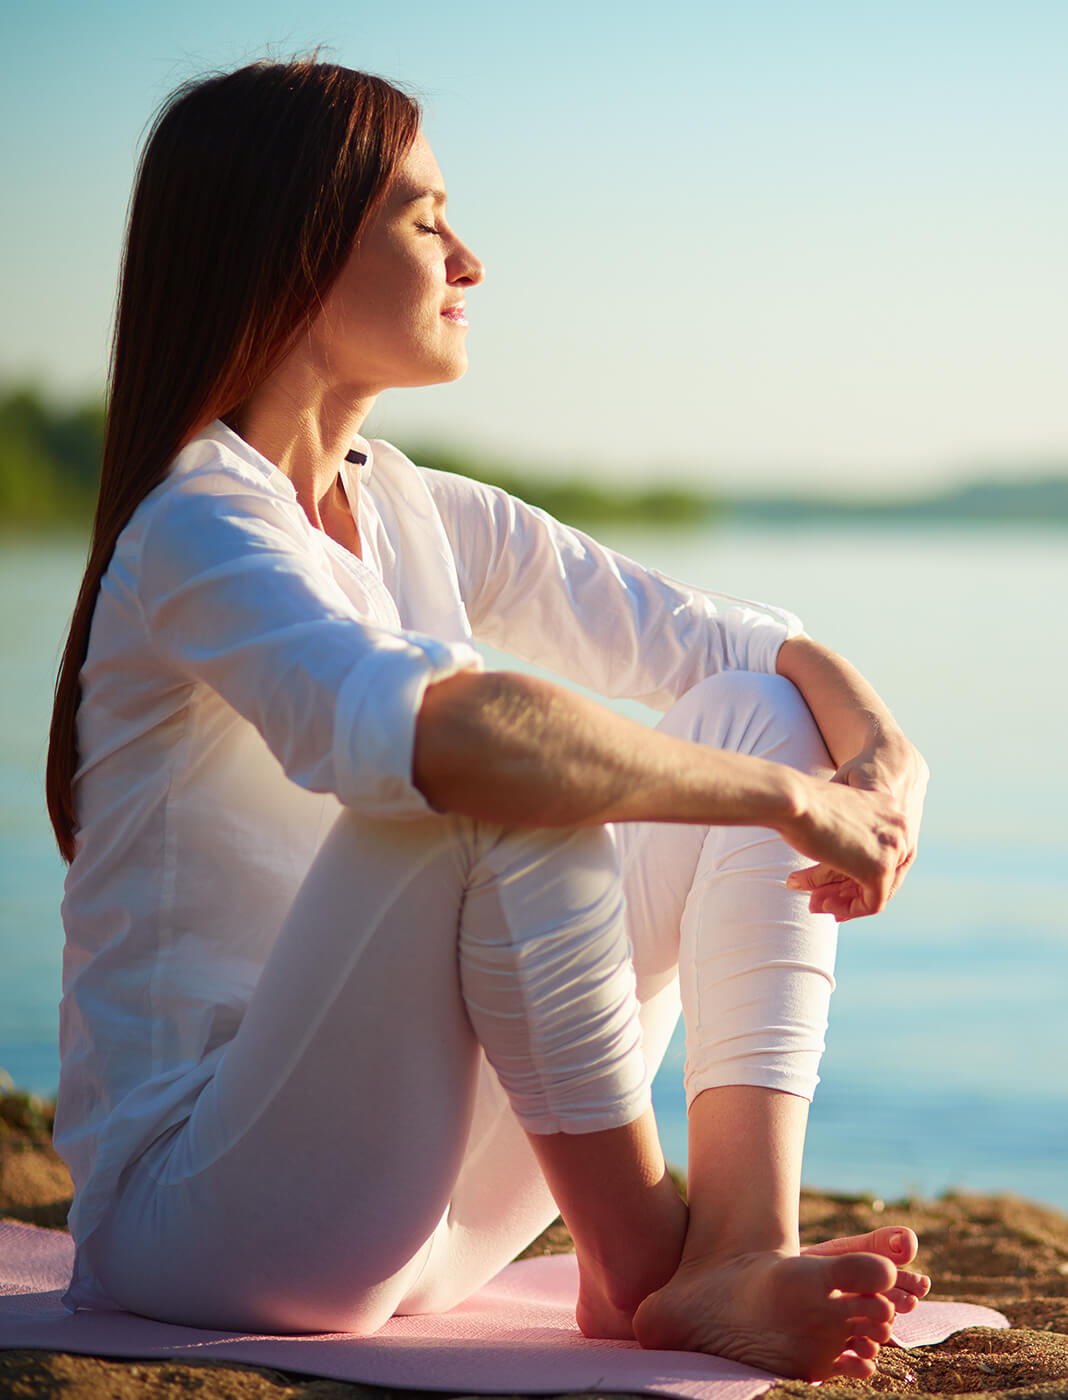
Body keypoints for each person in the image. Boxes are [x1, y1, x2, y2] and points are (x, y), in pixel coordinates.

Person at [46, 59, 931, 1382]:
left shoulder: (414, 506)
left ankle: (735, 1247)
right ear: (291, 255)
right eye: (423, 219)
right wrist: (794, 805)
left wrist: (881, 758)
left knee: (747, 713)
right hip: (207, 1218)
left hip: (431, 1215)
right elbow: (457, 738)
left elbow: (755, 652)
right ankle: (641, 1259)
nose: (468, 258)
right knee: (495, 769)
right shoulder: (198, 526)